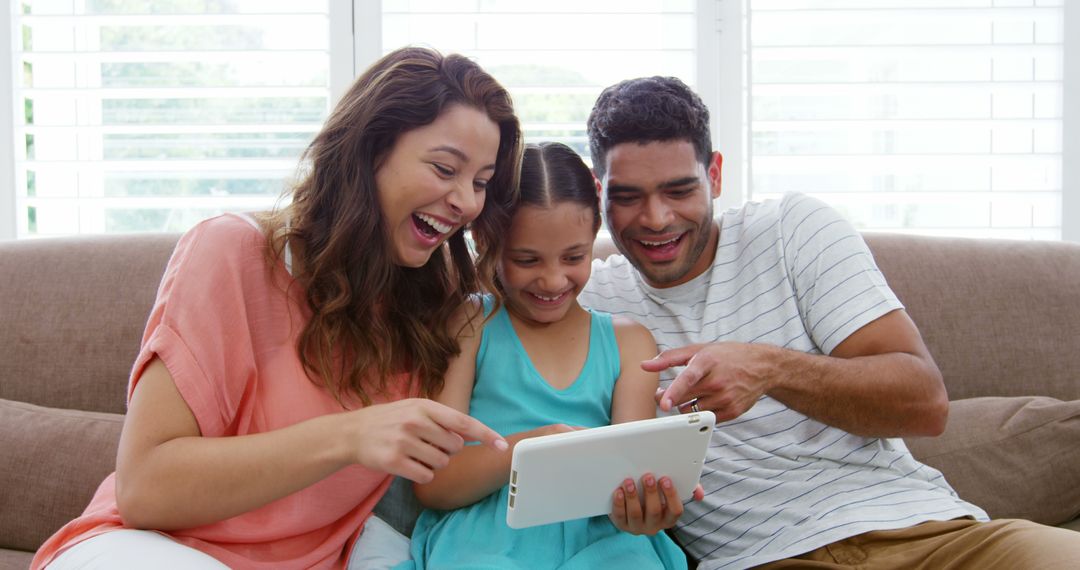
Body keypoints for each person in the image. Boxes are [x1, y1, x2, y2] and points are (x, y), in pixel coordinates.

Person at [31, 46, 523, 570]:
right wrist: (351, 436)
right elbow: (144, 490)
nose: (468, 203)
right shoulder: (232, 252)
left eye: (480, 183)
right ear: (370, 150)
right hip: (156, 550)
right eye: (445, 168)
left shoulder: (442, 301)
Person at [579, 76, 1080, 569]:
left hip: (932, 534)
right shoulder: (585, 300)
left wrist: (769, 369)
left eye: (679, 190)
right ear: (599, 192)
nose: (656, 218)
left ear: (714, 175)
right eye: (627, 197)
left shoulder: (791, 230)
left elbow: (926, 405)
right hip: (765, 558)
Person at [397, 142, 688, 569]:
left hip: (601, 536)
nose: (553, 280)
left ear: (594, 238)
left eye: (574, 257)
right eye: (526, 259)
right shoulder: (469, 327)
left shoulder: (630, 343)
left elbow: (629, 478)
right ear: (485, 240)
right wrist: (529, 448)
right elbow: (436, 484)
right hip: (488, 536)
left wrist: (647, 508)